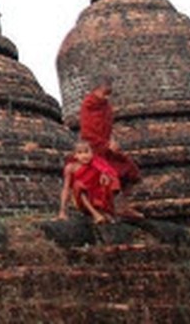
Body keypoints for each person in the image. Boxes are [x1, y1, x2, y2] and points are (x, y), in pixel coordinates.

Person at [79, 75, 143, 220]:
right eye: (104, 93)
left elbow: (106, 128)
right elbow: (88, 133)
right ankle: (111, 208)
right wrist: (106, 145)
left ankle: (123, 206)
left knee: (130, 169)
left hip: (106, 149)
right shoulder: (88, 105)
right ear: (96, 90)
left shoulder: (106, 106)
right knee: (109, 176)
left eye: (109, 94)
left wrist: (112, 142)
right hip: (93, 150)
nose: (107, 97)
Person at [59, 140, 119, 223]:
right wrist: (62, 211)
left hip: (97, 197)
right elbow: (66, 189)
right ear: (75, 156)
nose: (84, 155)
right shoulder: (70, 168)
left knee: (107, 181)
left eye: (86, 151)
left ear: (92, 153)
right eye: (80, 153)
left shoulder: (97, 164)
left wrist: (104, 175)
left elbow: (110, 172)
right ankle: (95, 214)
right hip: (81, 199)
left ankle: (104, 212)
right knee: (78, 185)